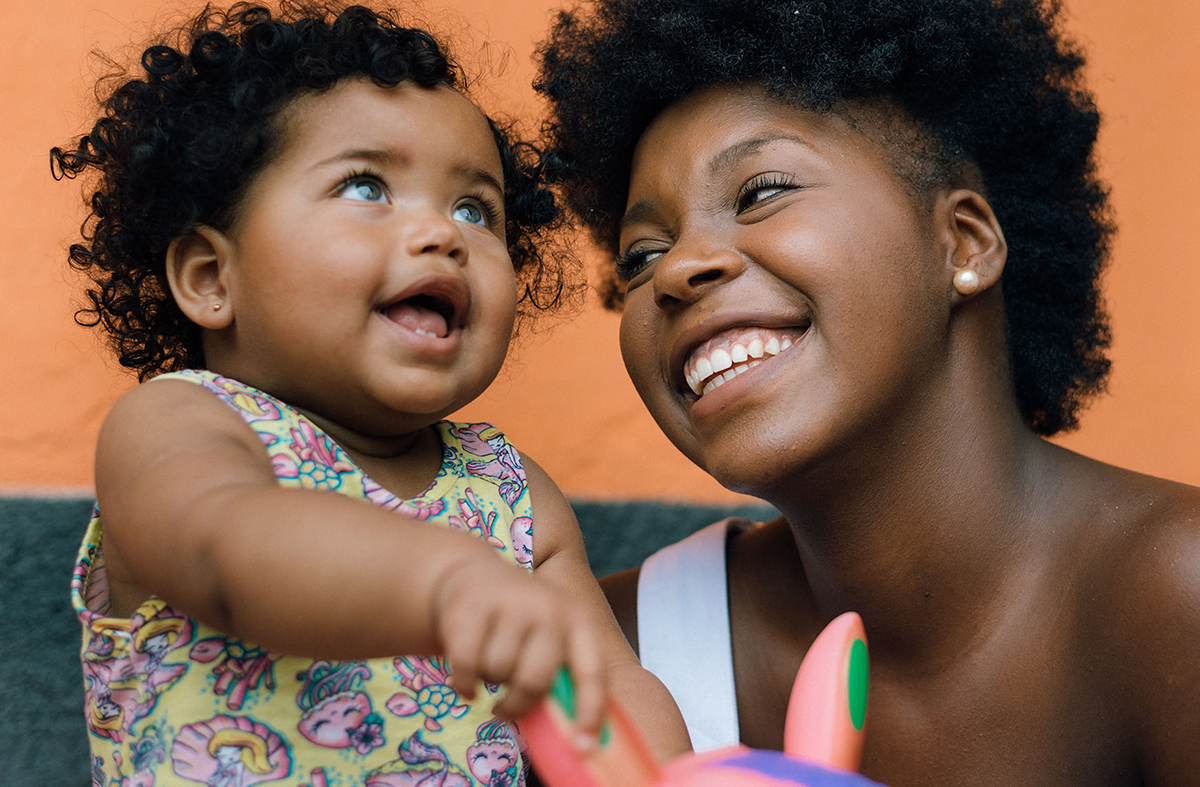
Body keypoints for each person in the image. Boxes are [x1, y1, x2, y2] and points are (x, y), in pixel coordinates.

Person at [534, 0, 1200, 784]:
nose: (676, 271)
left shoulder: (1175, 595)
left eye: (759, 192)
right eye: (641, 255)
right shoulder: (603, 653)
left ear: (965, 242)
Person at [54, 4, 688, 785]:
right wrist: (443, 582)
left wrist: (666, 771)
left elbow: (607, 683)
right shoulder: (181, 422)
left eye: (474, 209)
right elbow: (229, 549)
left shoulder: (511, 494)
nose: (443, 234)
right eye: (365, 186)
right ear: (212, 278)